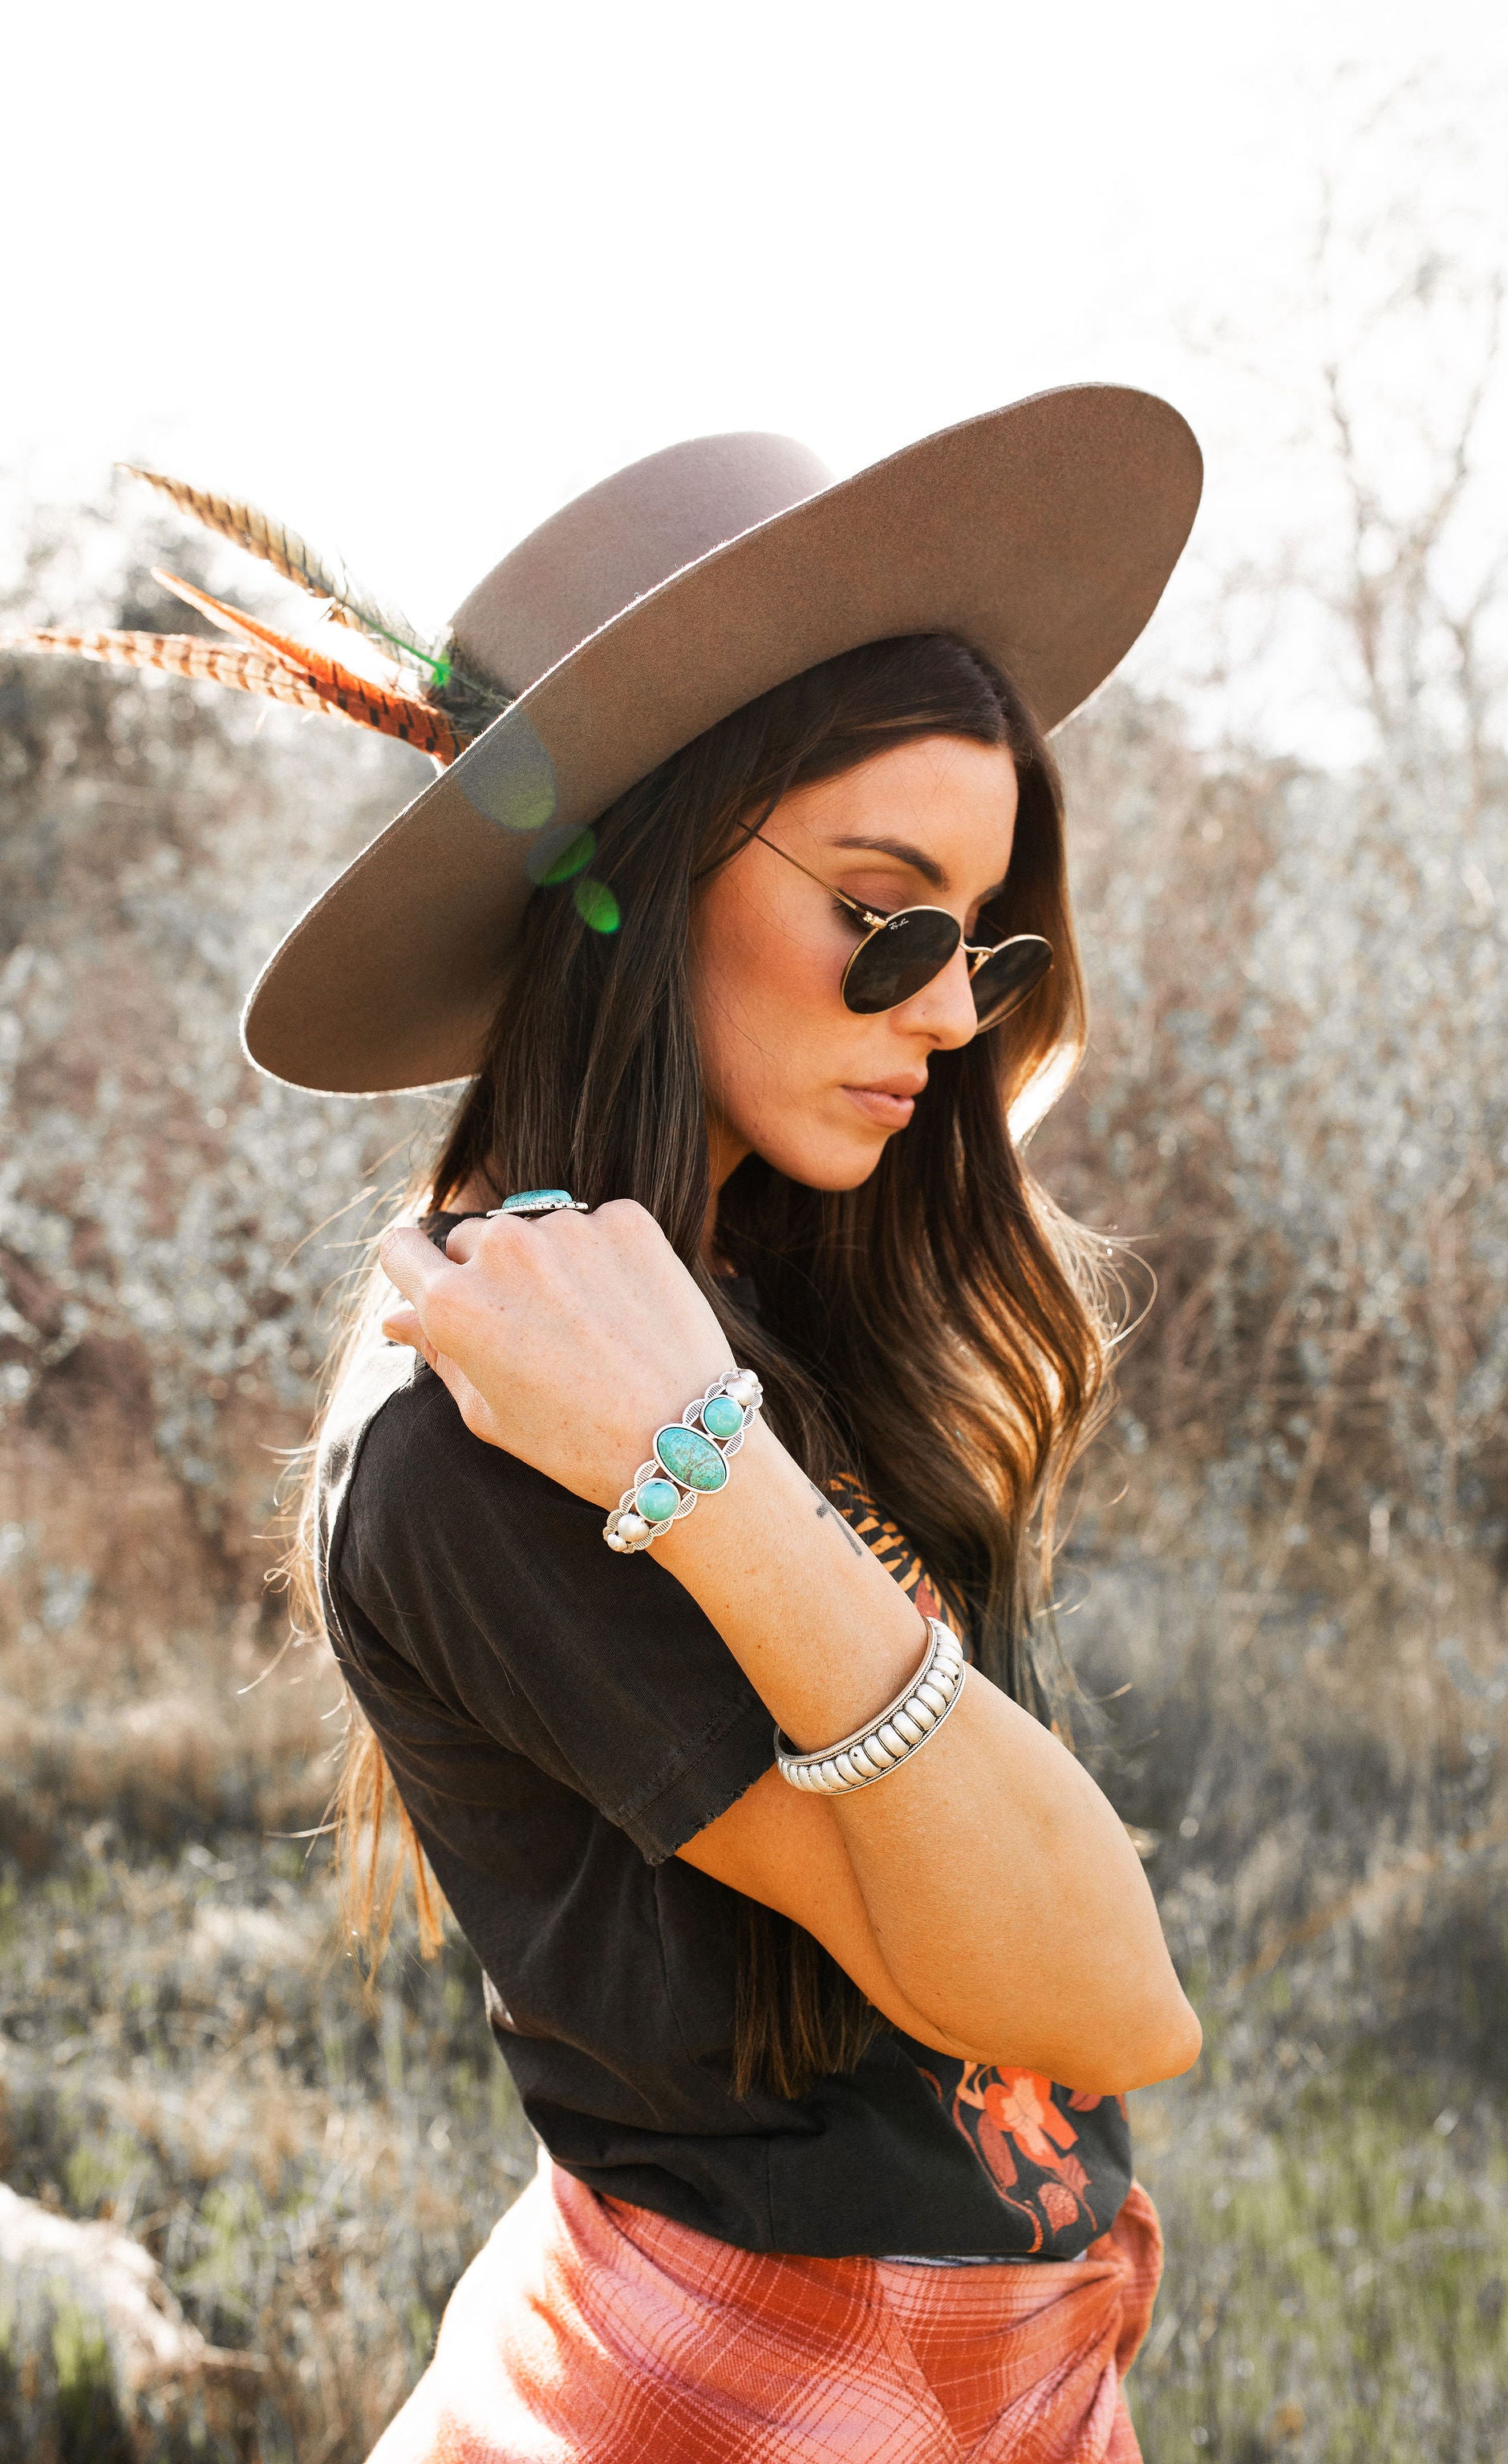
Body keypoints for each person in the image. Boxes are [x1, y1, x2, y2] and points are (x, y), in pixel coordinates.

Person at [11, 389, 1205, 2461]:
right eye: (889, 917)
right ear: (630, 880)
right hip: (757, 2398)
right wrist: (706, 1473)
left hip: (979, 2370)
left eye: (986, 941)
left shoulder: (760, 1285)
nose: (952, 1010)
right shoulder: (488, 1426)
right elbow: (1106, 1999)